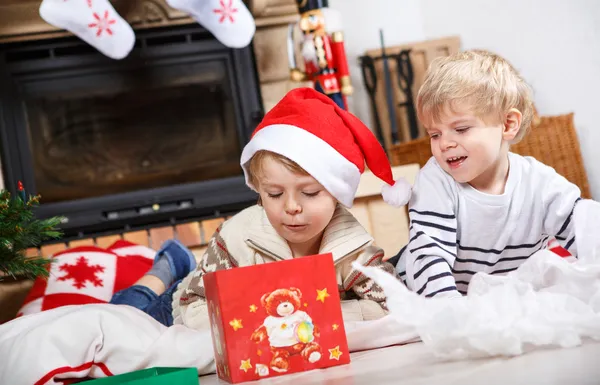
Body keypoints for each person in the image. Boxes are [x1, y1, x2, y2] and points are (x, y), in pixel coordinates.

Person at [171, 87, 412, 330]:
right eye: (274, 194)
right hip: (175, 300)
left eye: (309, 193)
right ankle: (170, 264)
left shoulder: (354, 249)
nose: (291, 207)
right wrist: (260, 320)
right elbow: (194, 307)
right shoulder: (234, 239)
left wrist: (321, 313)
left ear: (337, 194)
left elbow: (397, 304)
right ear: (259, 189)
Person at [389, 50, 581, 298]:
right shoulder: (436, 180)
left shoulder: (540, 183)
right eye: (434, 134)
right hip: (424, 288)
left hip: (494, 295)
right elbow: (430, 257)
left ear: (508, 124)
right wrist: (452, 314)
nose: (445, 143)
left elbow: (585, 229)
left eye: (461, 129)